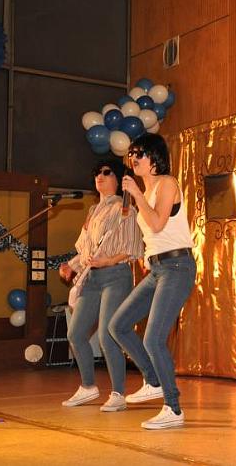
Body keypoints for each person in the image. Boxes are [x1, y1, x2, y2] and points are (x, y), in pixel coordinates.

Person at [109, 133, 197, 430]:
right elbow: (152, 235)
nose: (134, 158)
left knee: (153, 338)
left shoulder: (167, 183)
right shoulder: (144, 191)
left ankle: (173, 408)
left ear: (155, 158)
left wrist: (136, 195)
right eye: (132, 153)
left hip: (177, 266)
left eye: (140, 153)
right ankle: (153, 380)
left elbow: (158, 223)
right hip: (158, 268)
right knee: (118, 325)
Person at [60, 160, 143, 411]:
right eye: (97, 172)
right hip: (93, 278)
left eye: (107, 172)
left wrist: (107, 261)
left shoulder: (125, 208)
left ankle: (118, 393)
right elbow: (87, 250)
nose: (100, 176)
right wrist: (72, 265)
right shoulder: (93, 210)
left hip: (116, 276)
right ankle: (88, 387)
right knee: (75, 334)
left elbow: (133, 248)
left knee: (108, 335)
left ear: (118, 179)